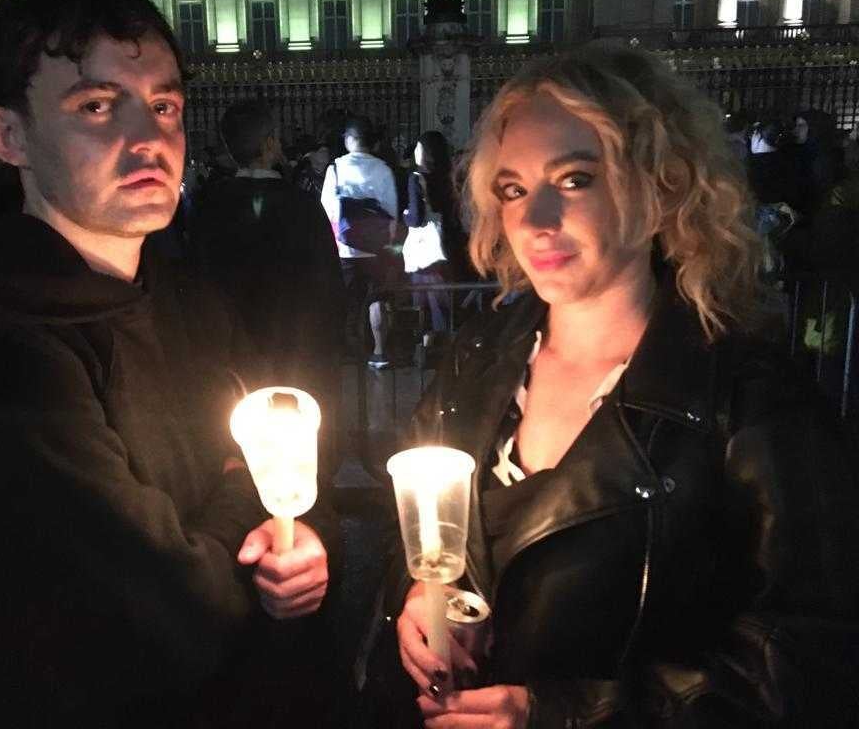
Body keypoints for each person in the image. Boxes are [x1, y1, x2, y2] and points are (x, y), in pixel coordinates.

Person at [0, 0, 336, 727]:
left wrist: (277, 541)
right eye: (97, 106)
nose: (148, 138)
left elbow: (280, 464)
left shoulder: (183, 293)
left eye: (164, 105)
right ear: (7, 136)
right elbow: (160, 611)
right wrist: (245, 512)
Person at [367, 45, 859, 727]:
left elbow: (812, 662)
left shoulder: (749, 396)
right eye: (511, 189)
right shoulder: (480, 356)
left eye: (574, 180)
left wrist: (571, 714)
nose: (535, 219)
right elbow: (413, 527)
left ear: (662, 189)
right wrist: (421, 594)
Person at [191, 99, 346, 499]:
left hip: (232, 352)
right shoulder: (301, 206)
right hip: (296, 347)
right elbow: (327, 281)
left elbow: (197, 279)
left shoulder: (210, 206)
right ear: (271, 143)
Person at [321, 114, 399, 368]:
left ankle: (346, 350)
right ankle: (378, 352)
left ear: (350, 139)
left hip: (344, 249)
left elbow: (327, 210)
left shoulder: (336, 168)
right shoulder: (383, 169)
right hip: (376, 250)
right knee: (377, 299)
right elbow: (392, 211)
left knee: (346, 302)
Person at [402, 130, 463, 336]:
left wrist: (405, 216)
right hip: (446, 248)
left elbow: (417, 218)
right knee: (442, 308)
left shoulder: (416, 178)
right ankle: (443, 352)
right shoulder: (450, 178)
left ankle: (423, 352)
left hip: (425, 253)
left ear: (425, 152)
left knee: (421, 306)